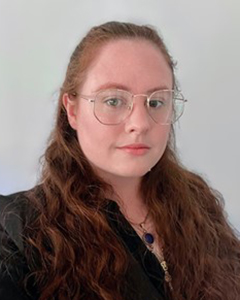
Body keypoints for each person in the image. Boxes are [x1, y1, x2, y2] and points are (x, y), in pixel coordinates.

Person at [0, 21, 239, 300]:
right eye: (113, 101)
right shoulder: (19, 231)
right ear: (73, 110)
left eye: (156, 102)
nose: (140, 123)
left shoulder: (198, 204)